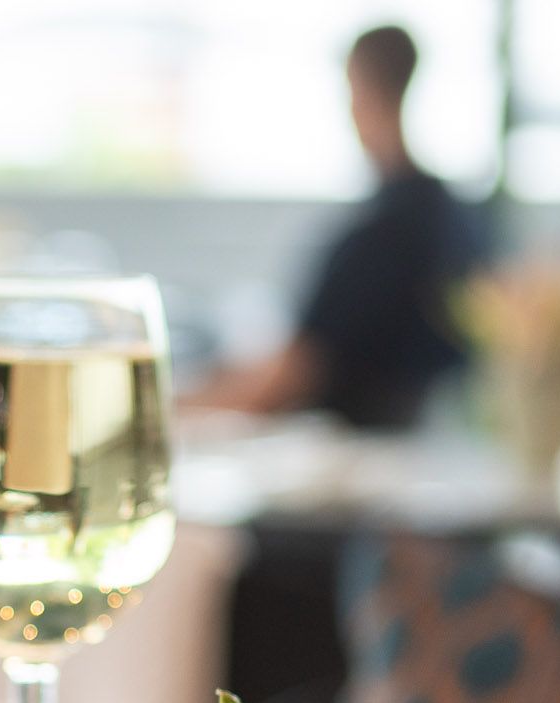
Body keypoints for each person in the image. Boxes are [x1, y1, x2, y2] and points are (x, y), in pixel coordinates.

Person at [199, 25, 484, 430]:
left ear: (361, 89)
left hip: (354, 453)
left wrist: (188, 408)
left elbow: (294, 373)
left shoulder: (381, 232)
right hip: (432, 445)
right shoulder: (455, 219)